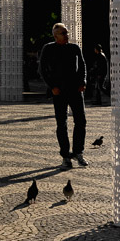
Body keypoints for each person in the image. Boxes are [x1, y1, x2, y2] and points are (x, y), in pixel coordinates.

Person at [38, 23, 88, 170]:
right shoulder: (48, 48)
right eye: (63, 33)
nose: (67, 35)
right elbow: (42, 70)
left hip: (75, 90)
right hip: (59, 91)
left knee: (81, 121)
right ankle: (65, 156)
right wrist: (52, 86)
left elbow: (83, 66)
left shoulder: (74, 48)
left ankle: (78, 152)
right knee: (61, 124)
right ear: (55, 36)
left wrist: (83, 82)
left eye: (67, 32)